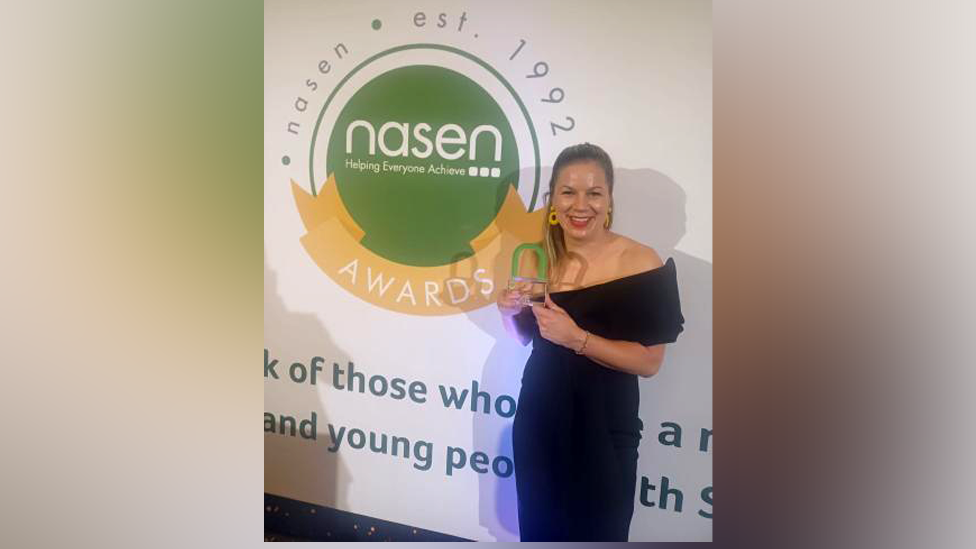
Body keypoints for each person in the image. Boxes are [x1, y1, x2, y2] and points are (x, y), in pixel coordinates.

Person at [497, 143, 684, 541]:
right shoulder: (535, 258)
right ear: (552, 199)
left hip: (605, 433)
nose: (580, 205)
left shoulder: (641, 262)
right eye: (568, 192)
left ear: (609, 200)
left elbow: (650, 362)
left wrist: (578, 339)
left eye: (593, 193)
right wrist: (508, 313)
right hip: (539, 426)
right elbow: (524, 342)